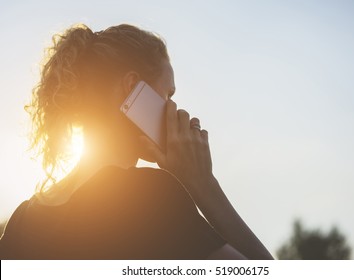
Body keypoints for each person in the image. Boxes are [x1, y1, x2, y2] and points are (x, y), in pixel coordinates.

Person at [0, 24, 273, 260]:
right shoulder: (146, 195)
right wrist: (204, 185)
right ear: (132, 88)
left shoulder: (23, 220)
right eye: (167, 94)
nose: (173, 108)